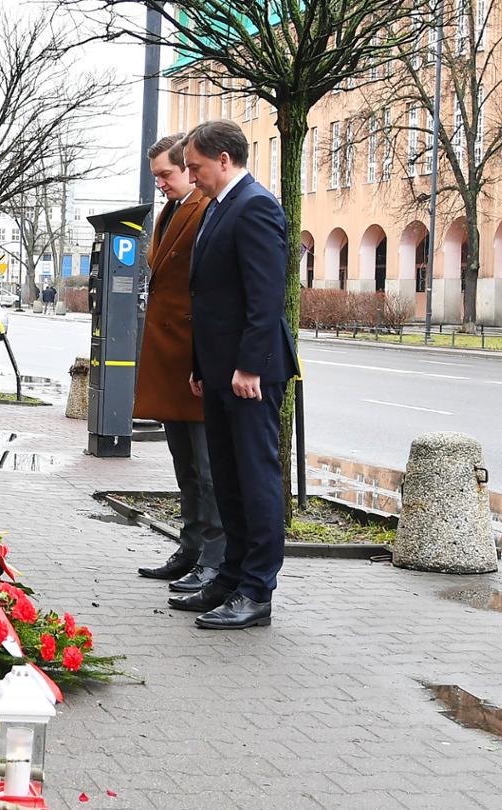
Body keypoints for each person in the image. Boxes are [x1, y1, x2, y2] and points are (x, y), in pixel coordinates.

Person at [169, 119, 300, 631]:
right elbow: (212, 299)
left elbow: (265, 297)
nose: (192, 176)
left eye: (197, 167)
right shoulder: (220, 207)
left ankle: (256, 590)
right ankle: (230, 576)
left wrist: (249, 366)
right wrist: (203, 367)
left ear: (224, 159)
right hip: (222, 372)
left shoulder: (257, 206)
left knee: (255, 479)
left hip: (252, 374)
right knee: (228, 479)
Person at [134, 134, 228, 593]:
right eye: (156, 178)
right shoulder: (171, 211)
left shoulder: (207, 207)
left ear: (188, 169)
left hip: (194, 360)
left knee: (209, 468)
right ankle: (190, 548)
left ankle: (214, 559)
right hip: (170, 360)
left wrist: (203, 361)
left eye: (167, 175)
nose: (162, 185)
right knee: (184, 463)